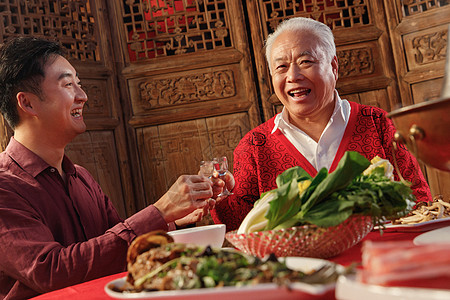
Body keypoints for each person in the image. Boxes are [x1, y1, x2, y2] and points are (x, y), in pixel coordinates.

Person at [0, 37, 233, 299]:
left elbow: (118, 250)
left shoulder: (81, 176)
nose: (83, 96)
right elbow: (51, 272)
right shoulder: (4, 187)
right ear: (28, 103)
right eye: (68, 85)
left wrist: (174, 217)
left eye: (80, 84)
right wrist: (160, 210)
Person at [211, 17, 432, 231]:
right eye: (281, 67)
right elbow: (241, 230)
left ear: (334, 66)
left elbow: (419, 202)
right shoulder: (254, 146)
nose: (293, 76)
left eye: (305, 62)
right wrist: (219, 196)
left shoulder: (378, 124)